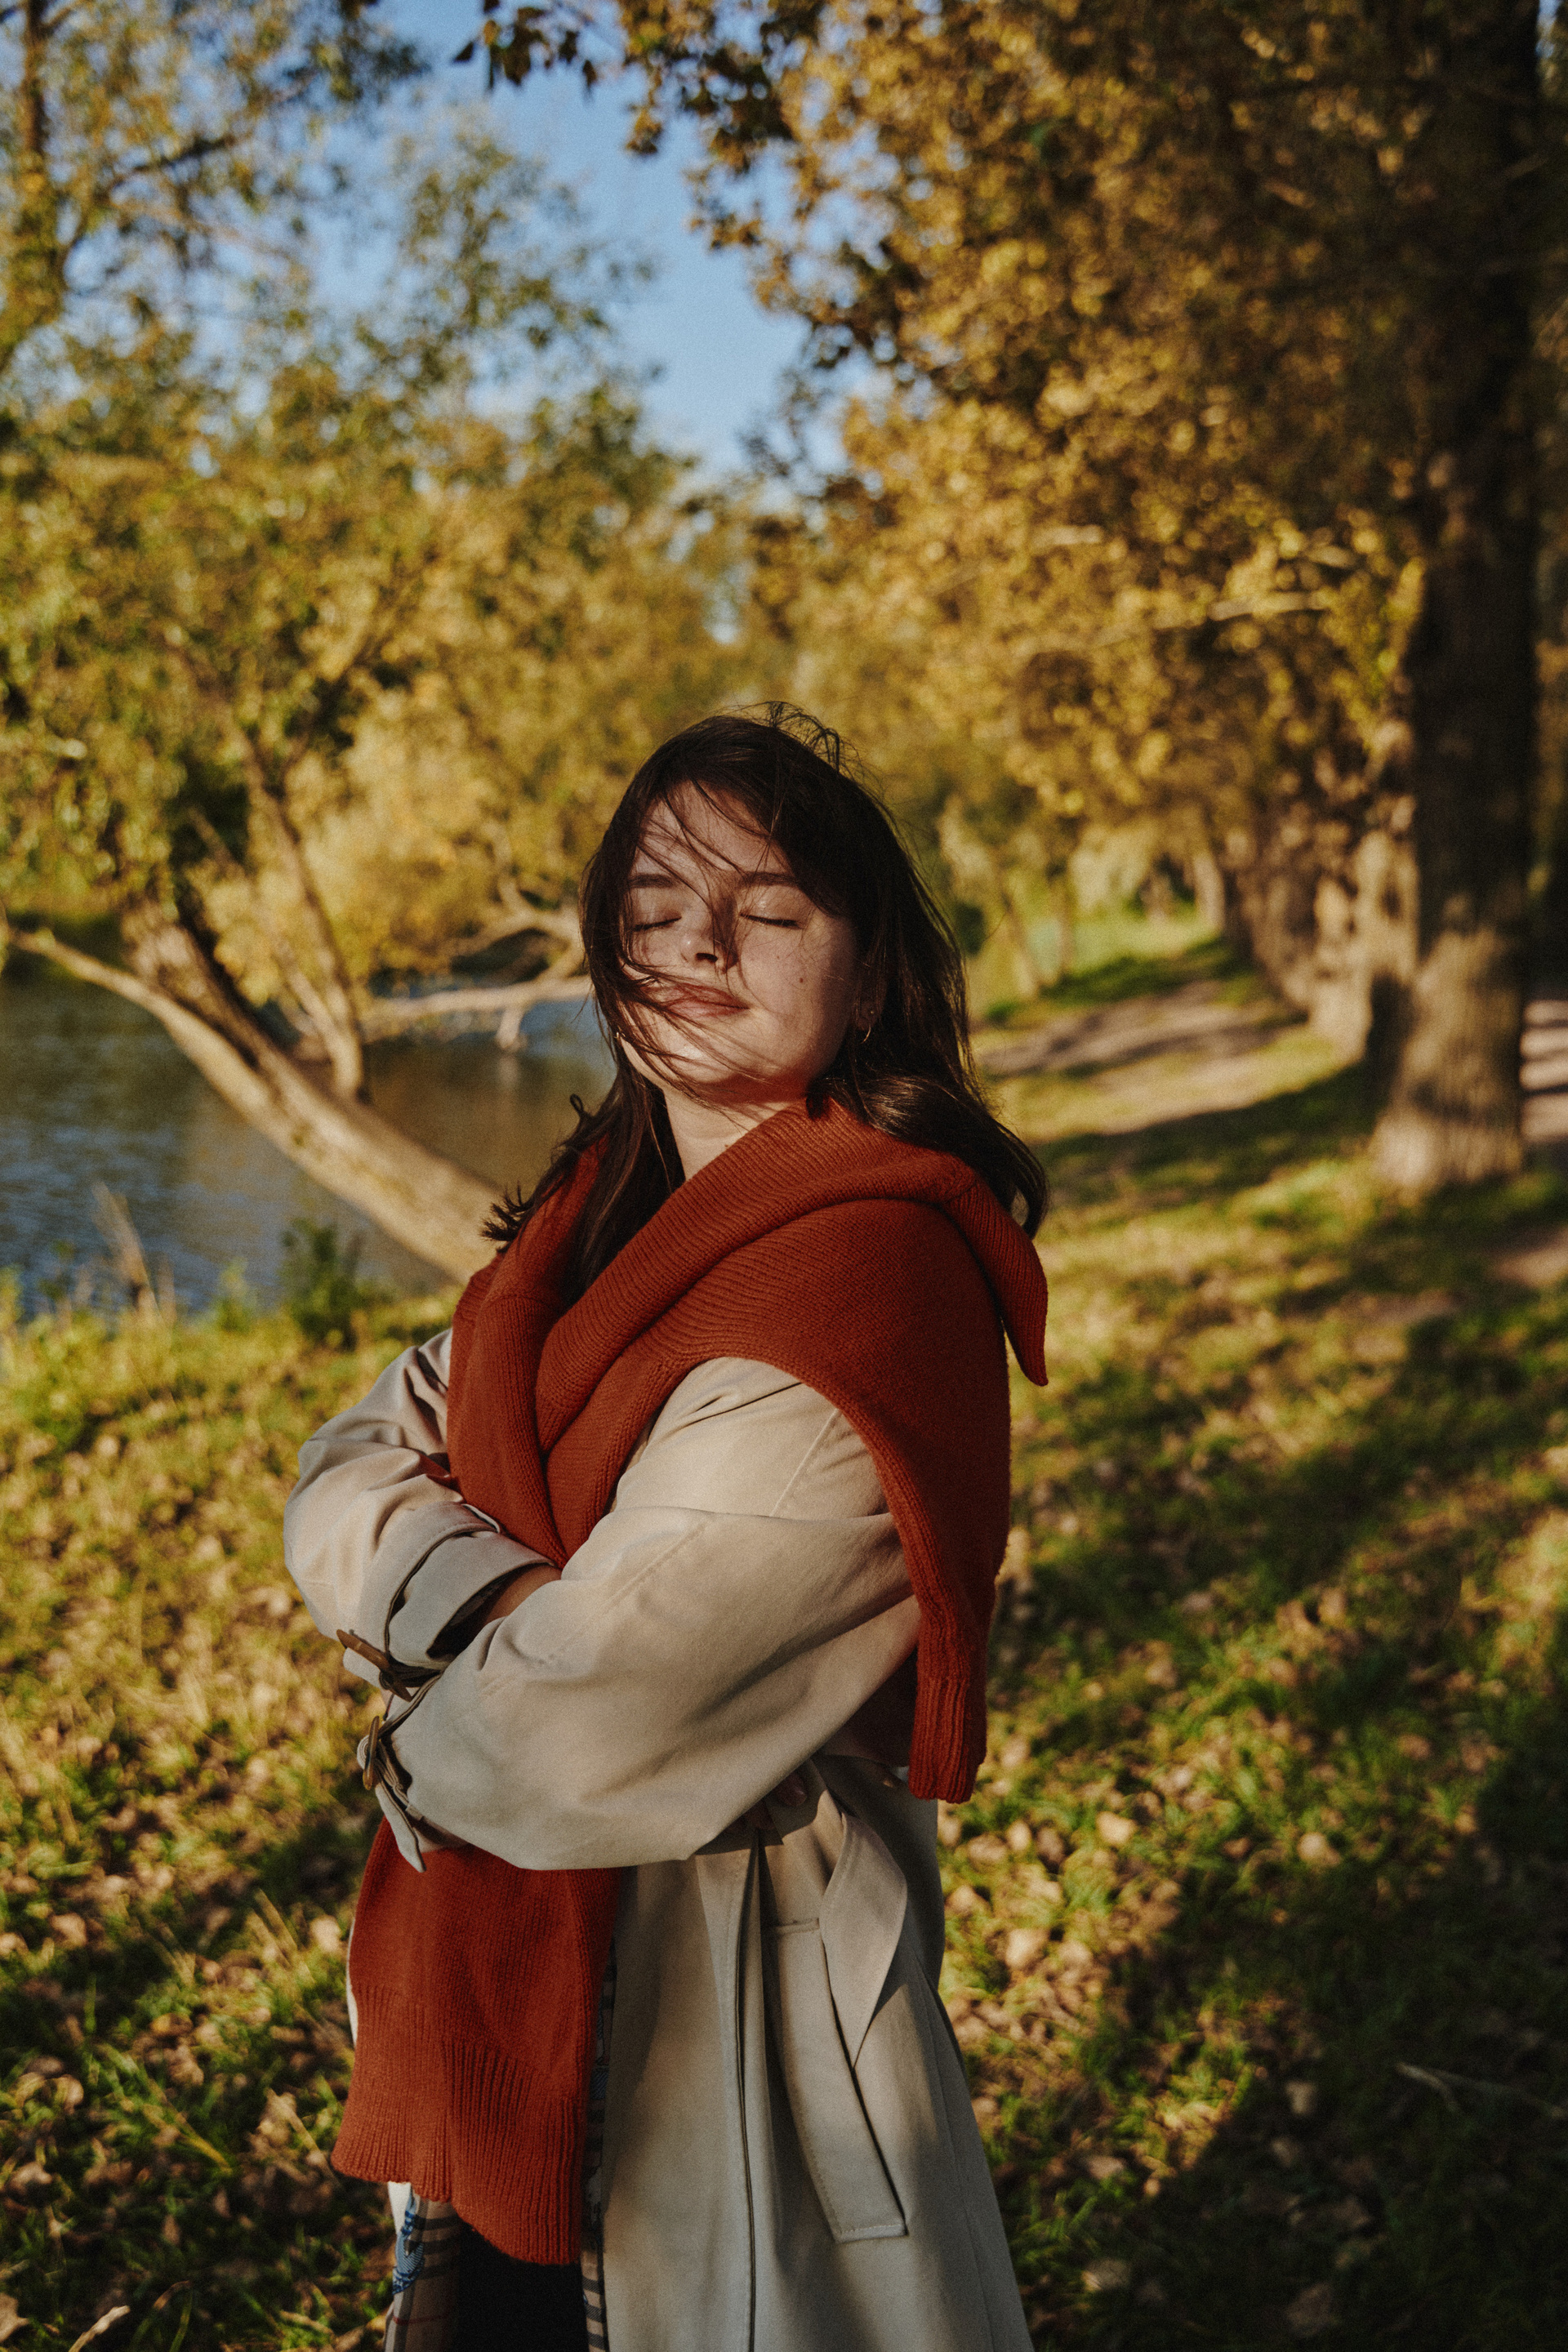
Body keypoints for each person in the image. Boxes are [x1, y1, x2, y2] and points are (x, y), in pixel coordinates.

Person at [284, 707, 1049, 2352]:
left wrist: (420, 1649)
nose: (699, 943)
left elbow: (559, 1735)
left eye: (767, 908)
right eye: (653, 906)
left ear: (870, 970)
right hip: (508, 2019)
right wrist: (514, 1612)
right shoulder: (589, 1227)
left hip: (729, 2059)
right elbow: (345, 1459)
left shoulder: (865, 1289)